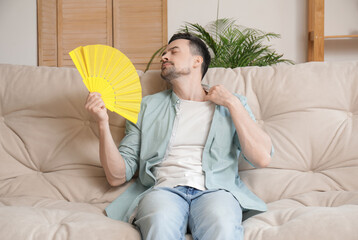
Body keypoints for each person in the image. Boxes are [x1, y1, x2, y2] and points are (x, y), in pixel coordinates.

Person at [85, 32, 274, 240]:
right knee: (159, 222)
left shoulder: (231, 103)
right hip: (163, 191)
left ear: (197, 61)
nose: (164, 56)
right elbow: (116, 176)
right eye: (164, 53)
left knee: (222, 225)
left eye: (173, 51)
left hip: (216, 191)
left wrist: (232, 104)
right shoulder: (146, 108)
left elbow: (262, 157)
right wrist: (102, 123)